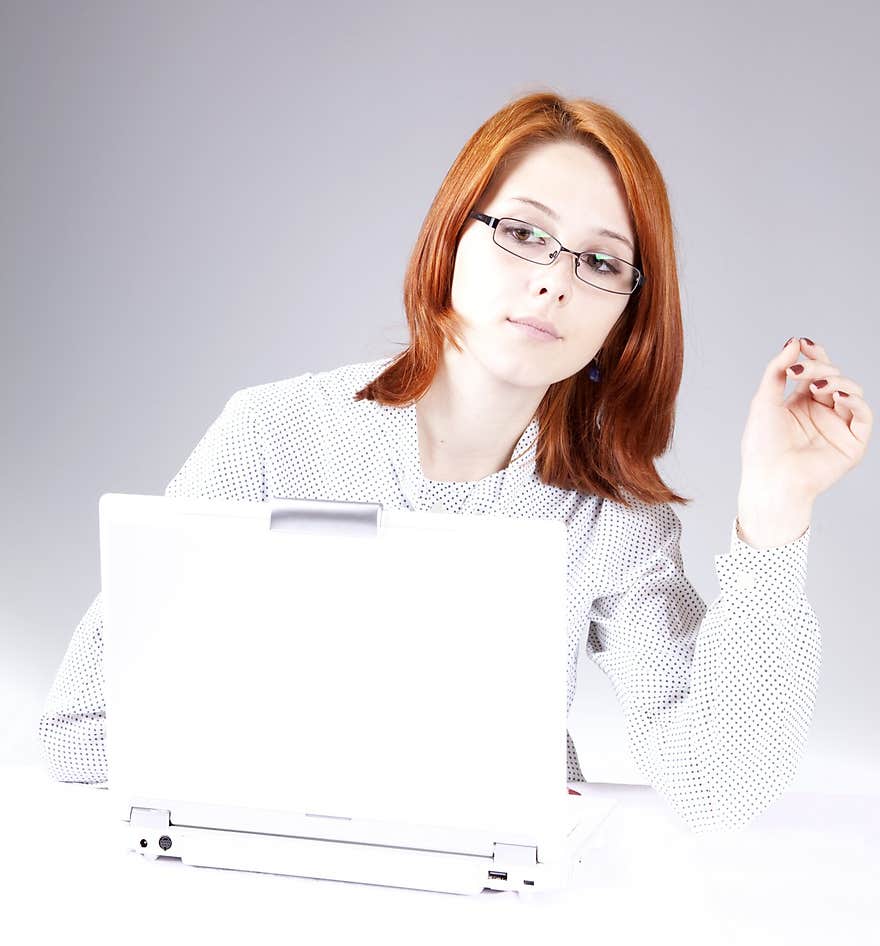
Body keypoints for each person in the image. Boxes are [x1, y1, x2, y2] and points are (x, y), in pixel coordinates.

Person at [37, 90, 872, 834]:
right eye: (523, 233)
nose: (554, 283)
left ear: (626, 313)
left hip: (503, 899)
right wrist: (350, 792)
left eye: (601, 261)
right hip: (281, 882)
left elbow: (720, 785)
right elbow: (84, 727)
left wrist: (774, 509)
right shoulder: (273, 434)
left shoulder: (611, 518)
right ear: (451, 238)